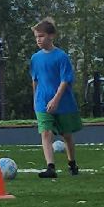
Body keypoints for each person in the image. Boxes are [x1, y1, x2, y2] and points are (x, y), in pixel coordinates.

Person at [29, 19, 82, 178]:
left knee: (66, 135)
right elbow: (35, 80)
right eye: (36, 36)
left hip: (63, 103)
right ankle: (50, 167)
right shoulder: (35, 58)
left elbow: (65, 80)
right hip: (42, 102)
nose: (38, 39)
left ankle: (72, 163)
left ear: (51, 36)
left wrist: (56, 99)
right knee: (45, 133)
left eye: (41, 36)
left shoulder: (61, 56)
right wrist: (35, 100)